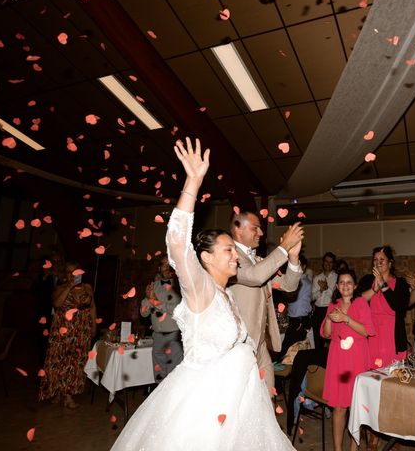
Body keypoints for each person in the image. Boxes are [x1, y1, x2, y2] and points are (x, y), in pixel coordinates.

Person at [112, 138, 293, 450]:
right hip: (205, 405)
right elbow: (178, 246)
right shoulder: (200, 288)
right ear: (207, 258)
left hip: (241, 403)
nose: (235, 256)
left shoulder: (227, 296)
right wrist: (193, 182)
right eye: (227, 250)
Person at [229, 210, 304, 393]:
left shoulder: (256, 259)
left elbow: (289, 285)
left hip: (261, 345)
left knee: (268, 399)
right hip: (240, 345)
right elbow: (255, 276)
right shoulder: (229, 256)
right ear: (239, 230)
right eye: (256, 228)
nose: (261, 233)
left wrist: (293, 258)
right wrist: (284, 247)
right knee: (244, 402)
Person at [321, 270, 375, 451]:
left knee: (356, 408)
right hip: (338, 359)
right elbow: (326, 333)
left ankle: (354, 448)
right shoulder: (332, 304)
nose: (345, 285)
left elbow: (366, 331)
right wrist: (329, 318)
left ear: (355, 286)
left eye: (349, 282)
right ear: (337, 286)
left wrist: (345, 319)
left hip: (358, 358)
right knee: (338, 408)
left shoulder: (360, 303)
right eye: (342, 282)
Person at [38, 261, 96, 408]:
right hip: (63, 330)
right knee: (60, 361)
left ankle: (67, 393)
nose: (73, 275)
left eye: (75, 271)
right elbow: (57, 304)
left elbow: (92, 307)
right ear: (66, 274)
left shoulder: (88, 287)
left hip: (81, 330)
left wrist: (94, 326)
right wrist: (69, 287)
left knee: (75, 362)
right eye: (69, 272)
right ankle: (60, 392)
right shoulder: (60, 288)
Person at [358, 246, 410, 368]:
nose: (378, 262)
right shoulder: (367, 280)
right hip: (371, 334)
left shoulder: (400, 283)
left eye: (382, 259)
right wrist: (373, 290)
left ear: (390, 263)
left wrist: (383, 284)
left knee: (393, 374)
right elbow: (357, 304)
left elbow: (400, 307)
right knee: (372, 373)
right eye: (375, 259)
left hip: (392, 335)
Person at [140, 256, 183, 383]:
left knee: (173, 375)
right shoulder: (153, 286)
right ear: (159, 268)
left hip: (174, 336)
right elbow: (143, 314)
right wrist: (148, 301)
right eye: (163, 264)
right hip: (157, 336)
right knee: (159, 374)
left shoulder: (180, 286)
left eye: (169, 264)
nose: (165, 267)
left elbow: (176, 310)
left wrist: (154, 301)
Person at [278, 255, 313, 360]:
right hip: (296, 320)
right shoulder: (300, 281)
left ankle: (283, 371)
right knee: (292, 349)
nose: (296, 267)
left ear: (304, 266)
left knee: (289, 349)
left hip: (300, 321)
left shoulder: (303, 282)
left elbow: (290, 296)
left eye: (299, 265)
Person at [312, 252, 337, 349]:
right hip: (317, 311)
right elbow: (312, 297)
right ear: (323, 262)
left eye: (331, 262)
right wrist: (321, 290)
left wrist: (326, 288)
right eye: (326, 261)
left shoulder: (336, 277)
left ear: (333, 264)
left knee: (330, 340)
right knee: (317, 340)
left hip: (329, 310)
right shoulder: (317, 278)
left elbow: (334, 297)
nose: (328, 264)